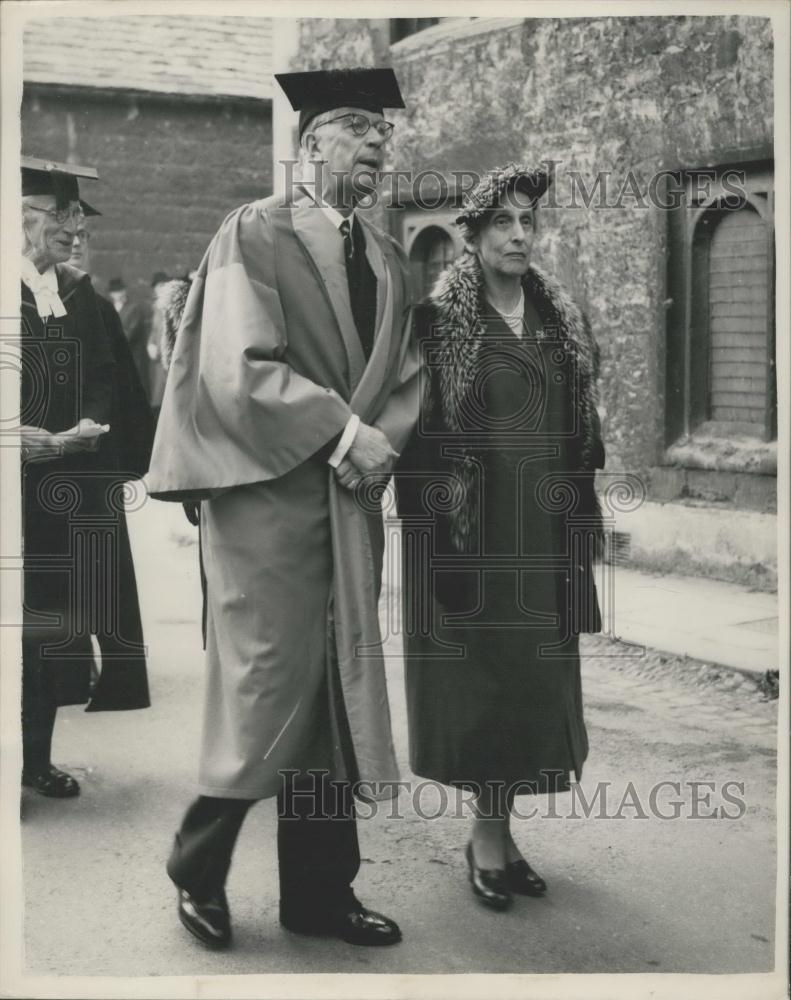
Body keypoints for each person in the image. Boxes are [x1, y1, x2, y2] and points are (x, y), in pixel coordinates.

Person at [145, 67, 420, 949]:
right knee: (268, 688)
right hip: (265, 502)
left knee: (333, 698)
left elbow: (405, 378)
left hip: (343, 501)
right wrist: (344, 434)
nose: (378, 145)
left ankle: (318, 895)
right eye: (357, 128)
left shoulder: (384, 255)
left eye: (383, 131)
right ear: (309, 144)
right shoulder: (253, 234)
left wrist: (380, 444)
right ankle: (198, 868)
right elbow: (238, 364)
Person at [395, 163, 605, 911]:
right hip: (471, 538)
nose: (519, 236)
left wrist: (581, 524)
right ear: (474, 236)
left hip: (543, 535)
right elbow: (417, 445)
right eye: (503, 224)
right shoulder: (439, 323)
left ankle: (501, 833)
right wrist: (434, 548)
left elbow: (582, 434)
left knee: (529, 685)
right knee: (480, 686)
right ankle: (486, 839)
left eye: (527, 224)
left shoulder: (558, 319)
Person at [19, 156, 151, 799]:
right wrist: (21, 440)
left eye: (76, 216)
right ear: (18, 218)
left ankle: (34, 759)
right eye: (61, 216)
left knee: (46, 633)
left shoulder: (81, 298)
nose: (74, 228)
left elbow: (112, 381)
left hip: (64, 496)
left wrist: (90, 426)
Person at [69, 221, 155, 699]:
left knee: (103, 572)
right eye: (71, 233)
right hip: (50, 457)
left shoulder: (98, 307)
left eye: (85, 234)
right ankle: (73, 668)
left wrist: (130, 461)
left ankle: (115, 673)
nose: (78, 241)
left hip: (96, 461)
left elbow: (125, 390)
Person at [107, 277, 149, 401]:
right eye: (115, 292)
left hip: (131, 356)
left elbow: (129, 334)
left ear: (125, 291)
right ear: (111, 294)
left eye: (120, 290)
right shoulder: (108, 308)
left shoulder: (134, 308)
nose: (118, 294)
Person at [145, 272, 170, 420]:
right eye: (158, 286)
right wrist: (150, 344)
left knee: (166, 399)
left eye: (163, 286)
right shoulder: (156, 307)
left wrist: (161, 349)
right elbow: (154, 331)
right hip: (157, 361)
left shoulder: (170, 306)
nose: (160, 289)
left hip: (167, 359)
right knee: (157, 400)